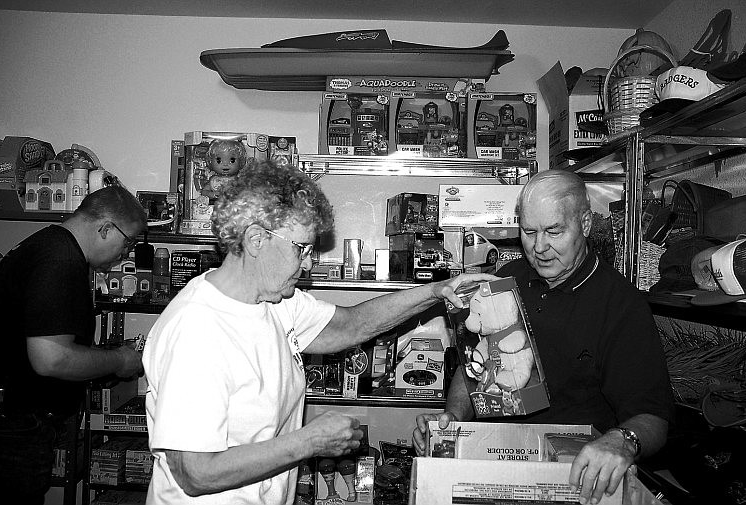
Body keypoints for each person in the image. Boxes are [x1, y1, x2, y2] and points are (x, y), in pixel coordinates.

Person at [141, 160, 495, 505]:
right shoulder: (197, 330)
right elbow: (196, 473)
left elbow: (352, 324)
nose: (309, 263)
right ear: (256, 239)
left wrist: (437, 290)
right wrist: (308, 441)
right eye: (301, 249)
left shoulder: (277, 301)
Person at [413, 170, 675, 505]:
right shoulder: (505, 281)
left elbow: (653, 418)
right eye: (528, 231)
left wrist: (622, 441)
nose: (539, 247)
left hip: (573, 482)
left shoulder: (622, 306)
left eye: (554, 231)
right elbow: (472, 370)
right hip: (497, 470)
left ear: (585, 224)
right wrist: (453, 421)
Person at [0, 185, 147, 504]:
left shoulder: (48, 245)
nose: (125, 254)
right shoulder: (60, 261)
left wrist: (106, 352)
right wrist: (118, 361)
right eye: (127, 243)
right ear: (105, 228)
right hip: (12, 428)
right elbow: (51, 359)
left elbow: (44, 341)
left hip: (10, 421)